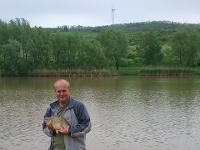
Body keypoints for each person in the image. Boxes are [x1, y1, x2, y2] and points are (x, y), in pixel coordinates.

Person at [42, 79, 91, 150]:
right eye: (59, 91)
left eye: (64, 91)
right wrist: (51, 129)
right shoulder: (51, 109)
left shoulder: (79, 106)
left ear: (69, 90)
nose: (61, 94)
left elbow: (87, 126)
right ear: (55, 92)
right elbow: (45, 130)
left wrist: (69, 131)